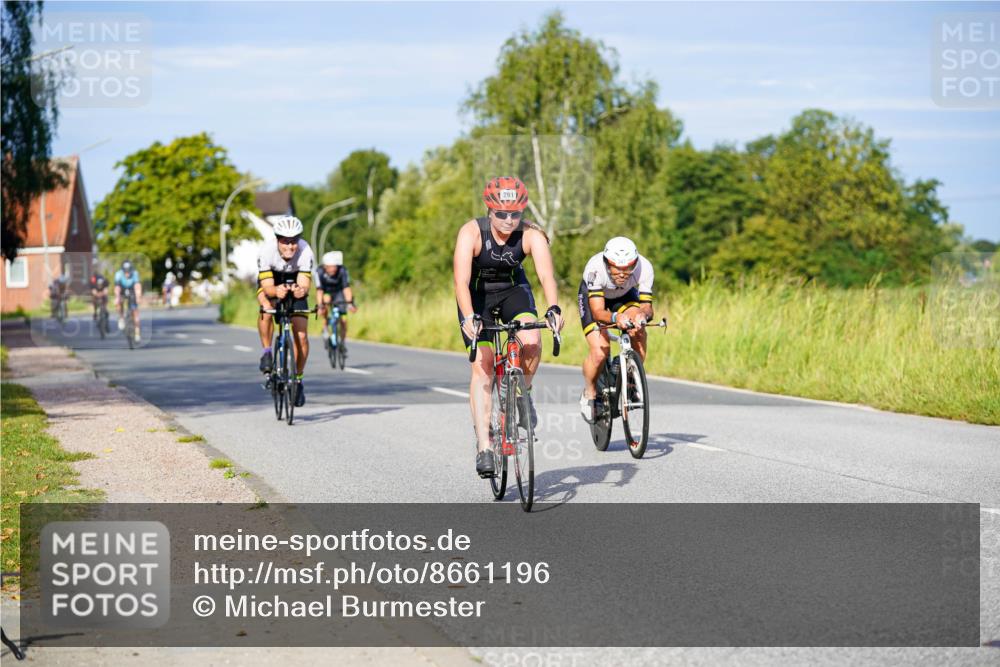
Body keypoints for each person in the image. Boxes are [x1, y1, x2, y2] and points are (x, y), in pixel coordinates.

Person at [453, 176, 564, 478]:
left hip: (514, 291)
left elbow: (546, 278)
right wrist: (468, 317)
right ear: (489, 210)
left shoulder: (531, 235)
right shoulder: (472, 232)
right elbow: (461, 281)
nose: (508, 220)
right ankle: (484, 446)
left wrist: (553, 308)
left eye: (515, 213)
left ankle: (521, 392)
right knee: (483, 365)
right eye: (501, 213)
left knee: (532, 340)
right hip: (477, 296)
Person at [577, 237, 655, 423]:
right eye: (616, 267)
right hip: (596, 299)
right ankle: (590, 392)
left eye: (628, 267)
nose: (622, 273)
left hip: (624, 296)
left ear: (634, 263)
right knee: (599, 352)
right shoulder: (594, 268)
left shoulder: (644, 267)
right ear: (606, 262)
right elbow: (597, 312)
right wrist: (615, 318)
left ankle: (630, 379)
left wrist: (642, 316)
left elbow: (647, 306)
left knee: (638, 330)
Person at [256, 215, 313, 408]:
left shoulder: (305, 251)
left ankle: (298, 380)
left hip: (295, 280)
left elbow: (305, 283)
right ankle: (267, 352)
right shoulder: (266, 251)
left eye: (294, 241)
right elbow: (267, 287)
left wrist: (301, 291)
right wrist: (275, 292)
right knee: (266, 306)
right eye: (285, 241)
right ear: (277, 239)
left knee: (302, 336)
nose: (290, 246)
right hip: (272, 280)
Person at [314, 250, 357, 353]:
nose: (333, 269)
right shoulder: (319, 272)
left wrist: (350, 303)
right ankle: (325, 327)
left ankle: (342, 342)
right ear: (325, 266)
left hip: (339, 293)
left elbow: (346, 288)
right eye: (330, 267)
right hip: (326, 292)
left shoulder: (342, 270)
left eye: (335, 267)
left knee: (344, 320)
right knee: (325, 301)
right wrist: (320, 306)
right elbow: (319, 290)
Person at [114, 260, 143, 341]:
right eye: (125, 272)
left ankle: (137, 333)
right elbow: (117, 288)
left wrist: (138, 297)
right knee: (119, 302)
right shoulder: (118, 274)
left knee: (135, 311)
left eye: (128, 271)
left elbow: (137, 286)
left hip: (132, 290)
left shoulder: (135, 273)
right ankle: (121, 318)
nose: (127, 273)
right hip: (122, 289)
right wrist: (117, 297)